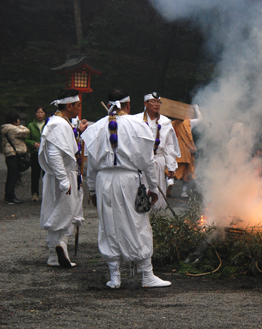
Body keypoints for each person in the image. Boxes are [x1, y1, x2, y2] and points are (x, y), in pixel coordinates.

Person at [82, 88, 171, 289]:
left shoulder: (96, 128)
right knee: (137, 223)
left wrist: (92, 190)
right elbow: (148, 162)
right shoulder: (138, 125)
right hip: (130, 180)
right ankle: (146, 274)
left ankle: (115, 276)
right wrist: (153, 187)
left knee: (109, 224)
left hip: (105, 181)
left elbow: (92, 166)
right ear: (129, 105)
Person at [39, 89, 88, 268]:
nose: (79, 108)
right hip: (63, 176)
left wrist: (78, 131)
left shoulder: (62, 122)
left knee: (61, 211)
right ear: (69, 106)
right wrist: (63, 179)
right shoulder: (58, 124)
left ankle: (54, 255)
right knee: (66, 211)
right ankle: (61, 244)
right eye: (78, 105)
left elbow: (66, 147)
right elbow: (54, 153)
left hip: (66, 175)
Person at [134, 92, 180, 209]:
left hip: (158, 160)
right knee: (141, 192)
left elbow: (169, 145)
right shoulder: (135, 120)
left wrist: (171, 166)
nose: (156, 104)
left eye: (158, 102)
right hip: (142, 163)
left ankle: (157, 219)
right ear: (145, 103)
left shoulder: (165, 122)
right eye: (153, 101)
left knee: (158, 194)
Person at [167, 104, 203, 198]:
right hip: (185, 153)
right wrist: (197, 109)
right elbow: (200, 119)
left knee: (171, 169)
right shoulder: (189, 123)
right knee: (186, 173)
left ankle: (170, 183)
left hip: (173, 152)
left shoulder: (170, 123)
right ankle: (183, 192)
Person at [1, 111, 30, 204]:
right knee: (13, 176)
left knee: (11, 175)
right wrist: (20, 126)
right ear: (14, 121)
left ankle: (9, 195)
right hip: (13, 154)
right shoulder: (12, 129)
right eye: (17, 120)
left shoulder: (6, 128)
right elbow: (26, 132)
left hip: (10, 154)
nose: (19, 121)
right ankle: (10, 196)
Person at [26, 106, 46, 202]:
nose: (40, 114)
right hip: (35, 152)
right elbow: (26, 139)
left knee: (46, 174)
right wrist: (33, 143)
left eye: (42, 112)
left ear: (45, 114)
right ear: (35, 113)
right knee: (35, 174)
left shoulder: (48, 124)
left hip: (46, 153)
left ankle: (46, 194)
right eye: (38, 112)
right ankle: (34, 193)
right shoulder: (30, 126)